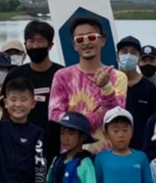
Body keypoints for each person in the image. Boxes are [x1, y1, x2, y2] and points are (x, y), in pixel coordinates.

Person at [47, 16, 126, 150]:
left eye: (91, 37)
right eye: (79, 39)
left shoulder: (116, 77)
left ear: (103, 40)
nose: (86, 43)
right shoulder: (62, 76)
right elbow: (55, 117)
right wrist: (99, 113)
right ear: (74, 45)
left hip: (106, 155)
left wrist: (106, 87)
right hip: (72, 155)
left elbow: (116, 118)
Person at [94, 108, 153, 183]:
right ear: (106, 134)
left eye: (125, 130)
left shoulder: (141, 157)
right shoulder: (101, 158)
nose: (121, 135)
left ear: (132, 132)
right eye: (115, 131)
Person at [43, 111, 100, 183]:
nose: (65, 138)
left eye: (71, 133)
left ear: (83, 137)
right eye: (62, 133)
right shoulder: (57, 160)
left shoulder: (85, 163)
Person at [116, 36, 156, 152]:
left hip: (141, 149)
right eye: (124, 52)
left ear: (139, 58)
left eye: (133, 53)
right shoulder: (110, 83)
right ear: (117, 56)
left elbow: (153, 121)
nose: (128, 55)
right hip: (112, 149)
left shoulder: (149, 87)